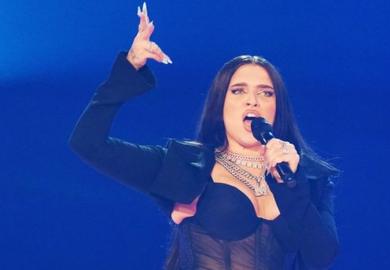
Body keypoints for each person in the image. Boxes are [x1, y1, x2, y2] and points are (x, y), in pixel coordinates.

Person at [69, 2, 339, 269]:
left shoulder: (308, 176)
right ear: (220, 106)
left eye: (266, 93)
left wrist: (292, 184)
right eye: (238, 91)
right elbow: (88, 143)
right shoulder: (187, 167)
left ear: (277, 106)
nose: (252, 101)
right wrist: (129, 69)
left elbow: (321, 256)